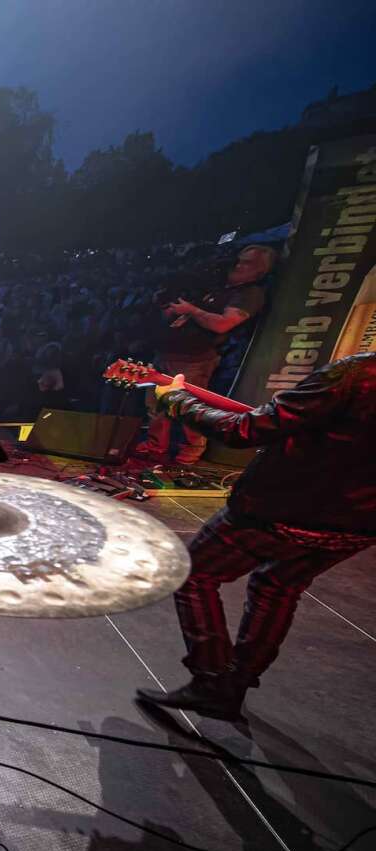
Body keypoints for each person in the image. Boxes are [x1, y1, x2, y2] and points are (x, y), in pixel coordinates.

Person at [136, 352, 376, 722]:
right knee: (277, 586)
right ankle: (239, 680)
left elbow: (241, 432)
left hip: (284, 507)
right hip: (359, 524)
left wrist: (175, 398)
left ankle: (213, 682)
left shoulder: (357, 373)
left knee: (194, 574)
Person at [140, 245, 274, 466]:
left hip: (196, 358)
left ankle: (190, 453)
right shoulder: (220, 285)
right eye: (240, 260)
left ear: (260, 270)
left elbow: (223, 324)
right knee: (155, 404)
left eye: (247, 263)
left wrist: (191, 311)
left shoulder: (250, 294)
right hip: (169, 352)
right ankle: (156, 447)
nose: (239, 265)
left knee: (186, 407)